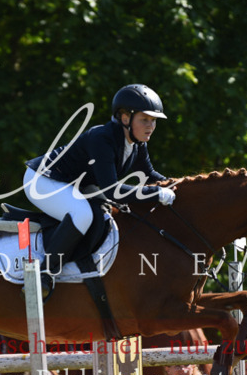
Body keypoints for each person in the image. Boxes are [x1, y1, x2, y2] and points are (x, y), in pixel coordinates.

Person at [22, 84, 175, 294]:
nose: (151, 126)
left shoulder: (138, 144)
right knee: (82, 214)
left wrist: (177, 185)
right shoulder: (102, 139)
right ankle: (44, 275)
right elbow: (112, 190)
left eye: (153, 121)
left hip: (74, 184)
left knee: (105, 215)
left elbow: (150, 175)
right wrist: (156, 194)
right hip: (42, 180)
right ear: (124, 118)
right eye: (144, 119)